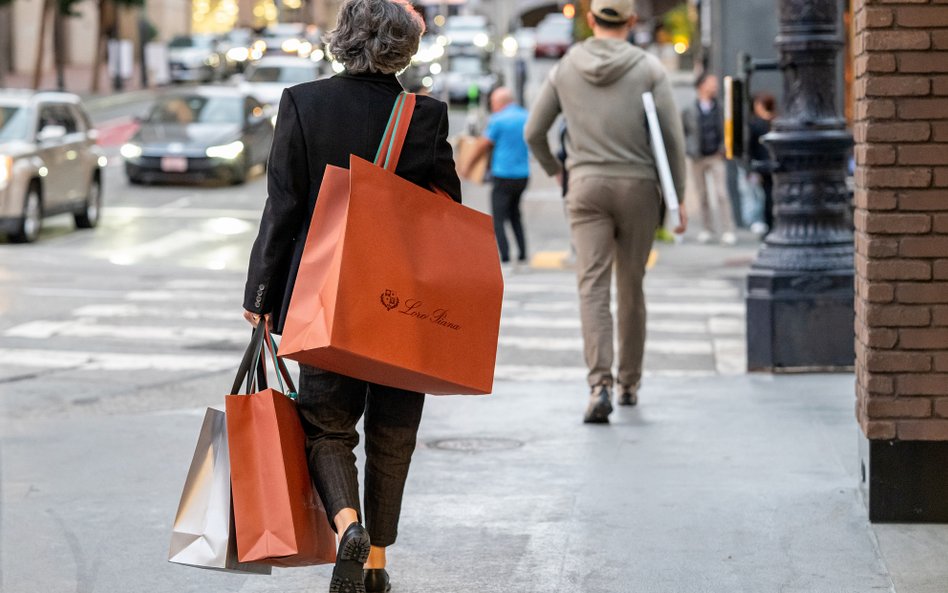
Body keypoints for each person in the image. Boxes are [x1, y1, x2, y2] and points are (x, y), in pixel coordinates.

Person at [241, 1, 461, 592]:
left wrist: (261, 292)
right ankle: (377, 565)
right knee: (394, 431)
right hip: (403, 303)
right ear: (403, 48)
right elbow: (445, 215)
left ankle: (346, 528)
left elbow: (282, 208)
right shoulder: (426, 115)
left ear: (343, 39)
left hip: (322, 296)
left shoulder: (303, 104)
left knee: (327, 425)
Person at [525, 0, 687, 424]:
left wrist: (558, 172)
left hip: (586, 185)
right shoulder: (649, 68)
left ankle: (600, 384)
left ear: (591, 20)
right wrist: (678, 198)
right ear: (632, 22)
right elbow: (671, 139)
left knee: (591, 286)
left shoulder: (565, 67)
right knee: (631, 286)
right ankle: (630, 382)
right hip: (638, 186)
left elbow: (534, 132)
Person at [462, 87, 531, 267]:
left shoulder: (498, 120)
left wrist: (467, 166)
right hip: (523, 175)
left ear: (500, 102)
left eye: (493, 103)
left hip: (503, 174)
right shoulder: (526, 116)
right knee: (515, 214)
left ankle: (506, 256)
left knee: (498, 217)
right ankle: (523, 254)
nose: (492, 106)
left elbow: (482, 145)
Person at [681, 72, 737, 245]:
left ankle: (728, 229)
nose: (715, 86)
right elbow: (684, 132)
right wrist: (689, 149)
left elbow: (726, 127)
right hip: (697, 156)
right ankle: (708, 228)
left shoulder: (719, 107)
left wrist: (723, 147)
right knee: (702, 194)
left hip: (716, 155)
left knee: (721, 193)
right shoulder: (689, 109)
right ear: (701, 85)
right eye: (711, 83)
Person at [747, 92, 777, 234]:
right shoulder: (774, 122)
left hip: (765, 165)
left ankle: (768, 225)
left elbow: (751, 147)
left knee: (766, 197)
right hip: (768, 166)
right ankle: (767, 225)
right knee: (765, 197)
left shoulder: (759, 124)